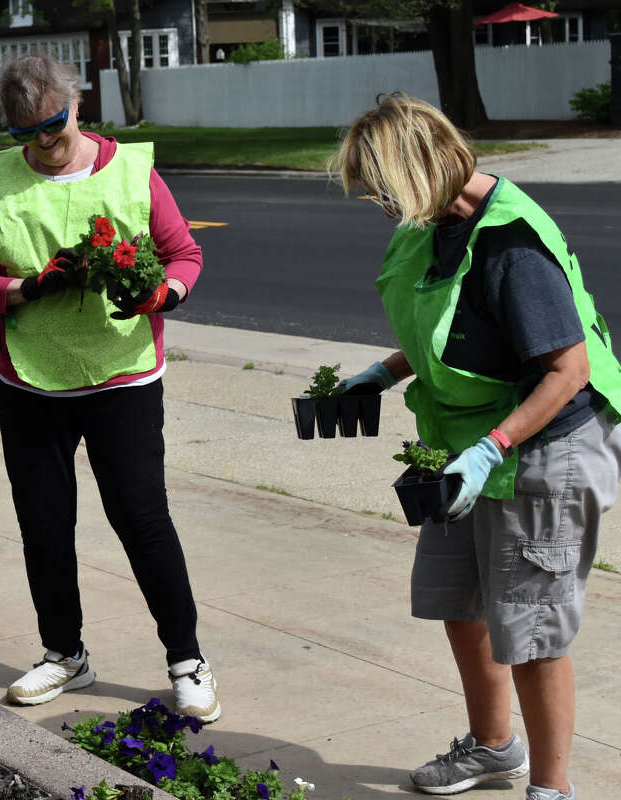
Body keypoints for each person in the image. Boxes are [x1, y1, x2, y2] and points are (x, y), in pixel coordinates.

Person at [331, 93, 621, 800]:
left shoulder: (510, 247)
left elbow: (567, 370)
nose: (381, 206)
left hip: (547, 443)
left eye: (381, 189)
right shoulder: (433, 223)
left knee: (531, 627)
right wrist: (383, 372)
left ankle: (551, 790)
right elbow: (449, 320)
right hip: (469, 441)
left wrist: (492, 447)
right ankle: (494, 748)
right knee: (458, 600)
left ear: (416, 172)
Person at [0, 55, 219, 722]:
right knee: (44, 524)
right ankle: (65, 655)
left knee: (141, 518)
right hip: (32, 380)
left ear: (77, 102)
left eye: (54, 124)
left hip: (122, 376)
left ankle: (188, 661)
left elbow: (185, 253)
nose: (43, 142)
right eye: (24, 133)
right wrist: (25, 287)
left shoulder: (129, 168)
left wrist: (166, 292)